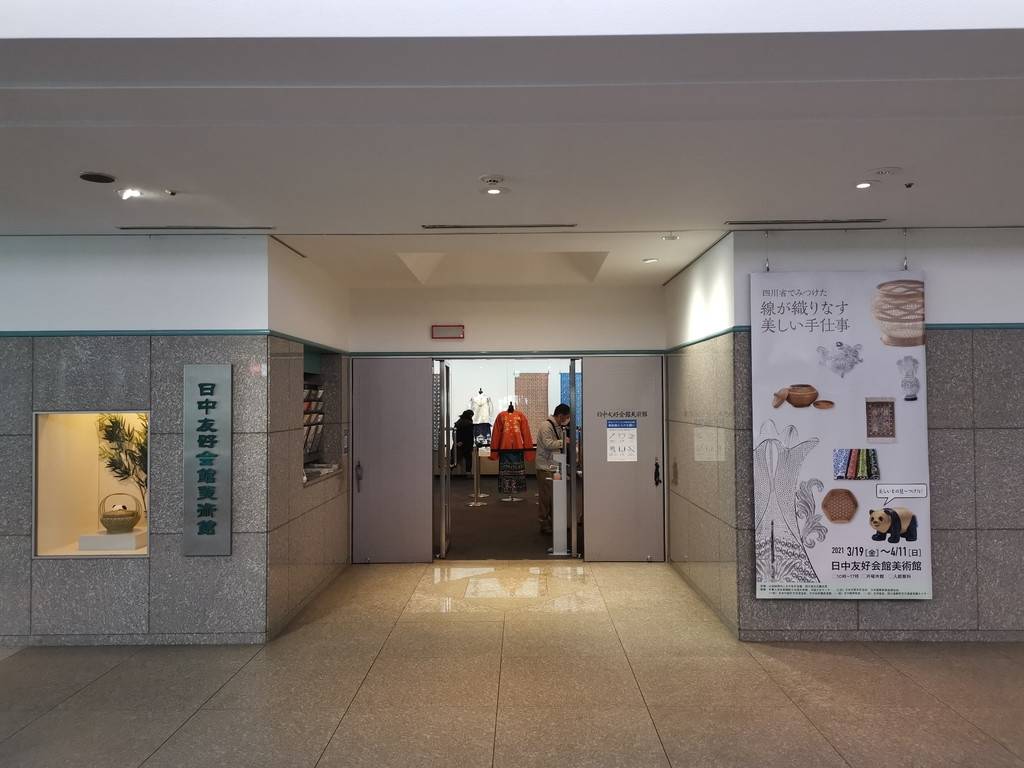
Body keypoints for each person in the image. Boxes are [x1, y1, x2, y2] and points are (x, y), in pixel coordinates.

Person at [535, 403, 570, 535]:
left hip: (554, 465)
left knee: (555, 496)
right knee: (546, 497)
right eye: (566, 417)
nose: (567, 420)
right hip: (545, 467)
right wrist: (564, 441)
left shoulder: (557, 426)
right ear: (560, 415)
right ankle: (544, 523)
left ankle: (555, 522)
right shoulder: (546, 426)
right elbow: (548, 444)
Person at [454, 409, 475, 475]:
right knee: (468, 459)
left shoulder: (458, 422)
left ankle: (449, 472)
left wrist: (457, 442)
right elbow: (469, 435)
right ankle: (468, 473)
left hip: (458, 443)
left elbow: (454, 434)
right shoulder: (469, 423)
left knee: (454, 458)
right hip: (467, 444)